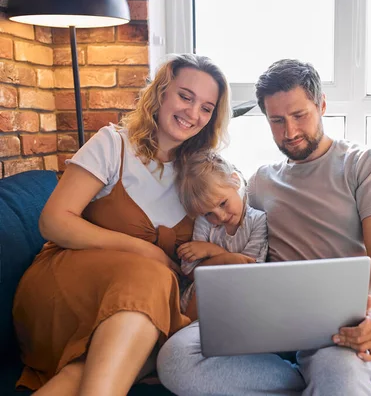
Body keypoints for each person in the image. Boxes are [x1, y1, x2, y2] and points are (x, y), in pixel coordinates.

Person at [157, 59, 371, 396]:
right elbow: (224, 213)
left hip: (342, 319)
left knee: (337, 373)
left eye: (300, 116)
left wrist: (370, 311)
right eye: (277, 121)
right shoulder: (259, 182)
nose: (290, 132)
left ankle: (345, 382)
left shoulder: (363, 164)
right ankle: (365, 388)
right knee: (176, 360)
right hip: (268, 315)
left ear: (322, 104)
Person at [12, 54, 231, 396]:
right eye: (185, 97)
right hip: (70, 290)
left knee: (96, 367)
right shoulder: (113, 144)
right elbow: (53, 221)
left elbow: (238, 220)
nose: (193, 113)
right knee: (153, 275)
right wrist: (145, 250)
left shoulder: (201, 174)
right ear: (161, 92)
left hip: (141, 312)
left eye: (206, 107)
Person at [175, 151, 268, 318]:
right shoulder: (204, 222)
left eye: (223, 203)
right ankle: (186, 325)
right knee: (209, 282)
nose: (220, 217)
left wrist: (213, 252)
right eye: (208, 213)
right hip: (201, 295)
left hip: (240, 292)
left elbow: (246, 268)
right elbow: (190, 272)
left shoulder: (257, 220)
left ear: (235, 181)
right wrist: (229, 260)